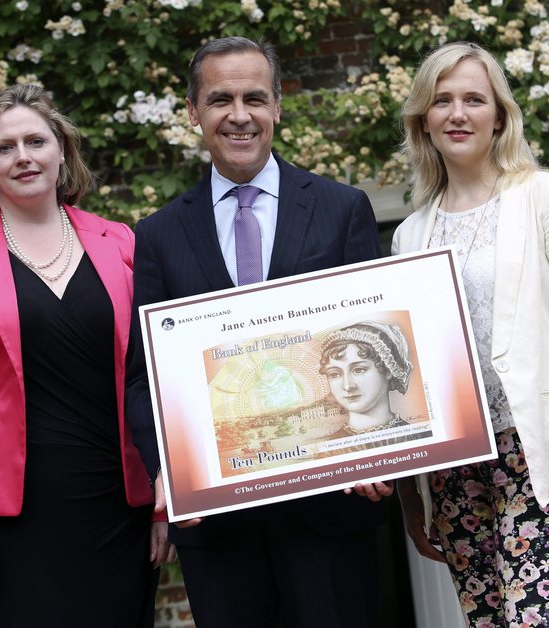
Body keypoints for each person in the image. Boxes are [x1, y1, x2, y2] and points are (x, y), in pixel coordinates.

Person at [124, 37, 390, 627]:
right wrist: (168, 467)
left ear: (276, 108)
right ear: (194, 111)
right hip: (218, 524)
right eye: (220, 99)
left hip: (331, 507)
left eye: (254, 98)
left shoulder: (340, 208)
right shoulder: (159, 234)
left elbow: (369, 336)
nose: (239, 115)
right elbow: (144, 376)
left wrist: (379, 449)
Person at [0, 84, 173, 627]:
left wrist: (165, 492)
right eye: (5, 147)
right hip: (3, 518)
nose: (23, 156)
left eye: (36, 141)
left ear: (62, 151)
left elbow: (153, 376)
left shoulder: (119, 241)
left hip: (116, 508)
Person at [393, 42, 549, 627]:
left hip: (541, 454)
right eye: (442, 101)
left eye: (474, 99)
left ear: (500, 115)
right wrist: (414, 495)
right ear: (424, 118)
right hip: (453, 469)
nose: (458, 113)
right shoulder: (410, 234)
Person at [319, 321, 414, 437]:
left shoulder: (418, 436)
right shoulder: (329, 452)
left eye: (358, 370)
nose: (347, 386)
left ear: (388, 370)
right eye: (334, 374)